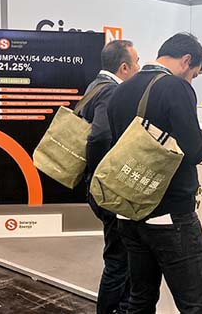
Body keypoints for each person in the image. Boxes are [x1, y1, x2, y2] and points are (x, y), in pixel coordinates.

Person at [107, 32, 202, 314]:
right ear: (186, 61)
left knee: (140, 299)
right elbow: (195, 151)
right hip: (170, 214)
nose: (191, 81)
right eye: (194, 75)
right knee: (195, 306)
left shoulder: (122, 89)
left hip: (129, 211)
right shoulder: (176, 88)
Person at [80, 39, 140, 314]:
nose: (139, 67)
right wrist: (105, 174)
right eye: (136, 62)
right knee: (118, 260)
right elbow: (100, 136)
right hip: (108, 189)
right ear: (124, 67)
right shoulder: (112, 92)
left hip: (95, 186)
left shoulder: (95, 86)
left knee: (119, 257)